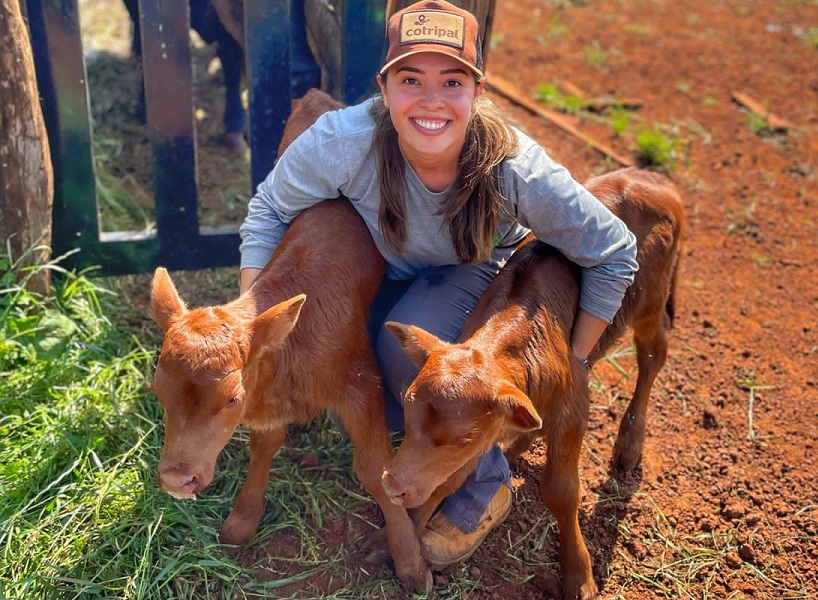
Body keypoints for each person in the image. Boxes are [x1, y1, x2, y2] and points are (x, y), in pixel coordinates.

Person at [238, 0, 638, 569]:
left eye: (452, 81)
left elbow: (615, 251)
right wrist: (250, 319)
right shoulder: (343, 140)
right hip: (381, 261)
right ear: (384, 87)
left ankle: (483, 485)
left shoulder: (513, 167)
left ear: (477, 90)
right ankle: (429, 439)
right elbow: (268, 210)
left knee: (420, 367)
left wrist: (574, 358)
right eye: (410, 79)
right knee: (350, 382)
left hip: (470, 269)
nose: (430, 100)